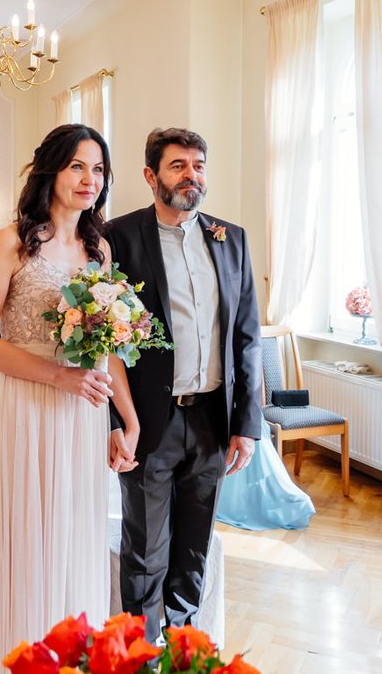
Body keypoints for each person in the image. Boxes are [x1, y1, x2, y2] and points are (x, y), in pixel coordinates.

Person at [0, 124, 138, 673]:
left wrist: (125, 421)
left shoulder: (99, 249)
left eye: (99, 169)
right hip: (25, 412)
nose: (90, 179)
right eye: (78, 166)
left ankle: (67, 659)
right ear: (51, 170)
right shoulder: (12, 241)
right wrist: (57, 378)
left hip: (82, 419)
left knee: (72, 541)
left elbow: (107, 349)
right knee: (26, 548)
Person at [104, 127, 261, 643]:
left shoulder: (230, 238)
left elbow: (246, 336)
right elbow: (101, 341)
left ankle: (181, 644)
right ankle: (141, 652)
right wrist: (115, 422)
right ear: (151, 176)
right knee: (146, 548)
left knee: (194, 546)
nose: (191, 175)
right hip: (151, 419)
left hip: (213, 419)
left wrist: (248, 425)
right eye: (178, 165)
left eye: (198, 165)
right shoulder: (117, 239)